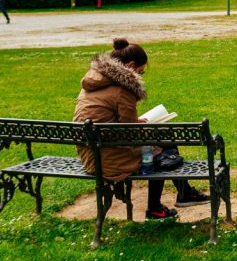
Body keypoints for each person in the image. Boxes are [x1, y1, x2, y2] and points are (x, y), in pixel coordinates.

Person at [73, 38, 209, 220]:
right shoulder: (123, 89)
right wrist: (148, 128)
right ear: (130, 66)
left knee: (162, 143)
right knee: (162, 151)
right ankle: (157, 207)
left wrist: (137, 122)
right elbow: (132, 133)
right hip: (110, 160)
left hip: (91, 154)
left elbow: (107, 118)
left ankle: (185, 193)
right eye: (141, 72)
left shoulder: (95, 81)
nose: (141, 76)